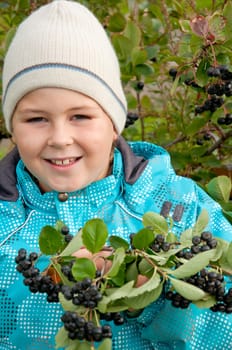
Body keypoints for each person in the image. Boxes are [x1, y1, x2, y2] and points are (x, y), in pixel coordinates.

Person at [0, 1, 231, 349]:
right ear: (12, 129)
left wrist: (148, 290)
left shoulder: (178, 207)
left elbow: (224, 323)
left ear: (114, 124)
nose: (60, 138)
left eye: (81, 116)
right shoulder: (6, 228)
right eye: (36, 119)